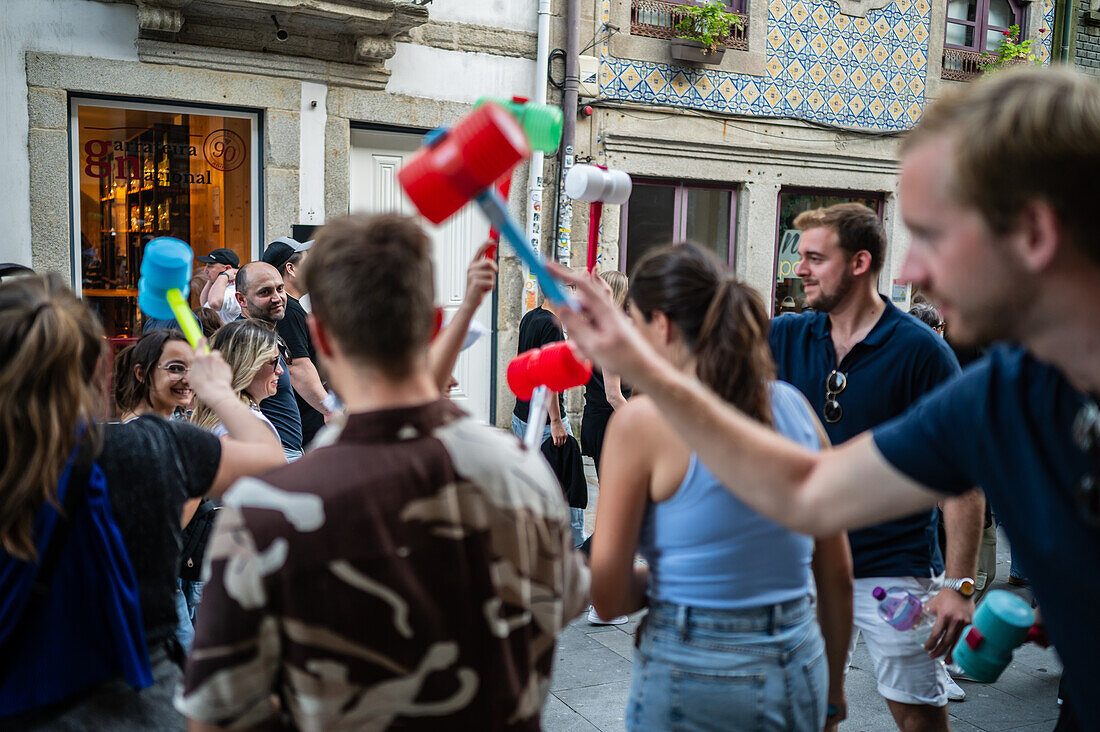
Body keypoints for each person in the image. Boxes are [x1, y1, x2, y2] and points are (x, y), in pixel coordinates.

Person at [555, 68, 1100, 731]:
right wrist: (644, 370)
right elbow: (810, 493)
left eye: (930, 234)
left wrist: (957, 582)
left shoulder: (932, 357)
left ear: (1035, 234)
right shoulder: (1002, 392)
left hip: (892, 576)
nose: (909, 270)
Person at [177, 214, 589, 729]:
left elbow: (217, 715)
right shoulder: (524, 475)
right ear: (428, 321)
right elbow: (562, 604)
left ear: (322, 339)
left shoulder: (264, 509)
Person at [0, 274, 284, 728]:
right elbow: (270, 464)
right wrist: (220, 392)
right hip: (133, 706)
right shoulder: (149, 447)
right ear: (99, 372)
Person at [591, 244, 853, 731]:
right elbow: (835, 571)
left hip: (695, 666)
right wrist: (833, 694)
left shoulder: (642, 422)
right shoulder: (794, 406)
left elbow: (607, 596)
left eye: (635, 322)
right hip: (800, 657)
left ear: (662, 325)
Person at [771, 203, 982, 720]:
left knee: (916, 713)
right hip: (804, 569)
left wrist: (958, 585)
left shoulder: (922, 351)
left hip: (894, 573)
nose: (799, 270)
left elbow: (963, 477)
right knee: (812, 711)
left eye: (816, 258)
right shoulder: (786, 335)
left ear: (859, 262)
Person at [512, 285, 586, 547]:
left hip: (523, 414)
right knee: (564, 488)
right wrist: (556, 421)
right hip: (545, 420)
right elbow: (549, 376)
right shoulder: (552, 326)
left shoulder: (530, 318)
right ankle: (573, 545)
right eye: (572, 290)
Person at [262, 237, 331, 444]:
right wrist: (329, 409)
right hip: (304, 425)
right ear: (291, 269)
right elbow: (298, 367)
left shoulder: (291, 308)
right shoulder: (288, 311)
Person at [234, 261, 304, 460]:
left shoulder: (266, 334)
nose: (277, 298)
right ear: (242, 299)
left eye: (280, 288)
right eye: (265, 292)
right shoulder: (244, 340)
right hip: (272, 453)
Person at [580, 270, 631, 478]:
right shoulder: (608, 334)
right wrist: (639, 423)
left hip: (595, 416)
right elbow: (613, 395)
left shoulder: (591, 327)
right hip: (610, 422)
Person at [113, 329, 195, 422]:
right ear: (141, 374)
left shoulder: (166, 425)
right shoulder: (137, 433)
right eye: (175, 368)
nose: (188, 380)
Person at [197, 248, 240, 325]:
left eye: (210, 266)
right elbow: (205, 304)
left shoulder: (234, 289)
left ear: (227, 268)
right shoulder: (221, 285)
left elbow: (214, 303)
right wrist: (211, 279)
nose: (205, 270)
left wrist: (224, 275)